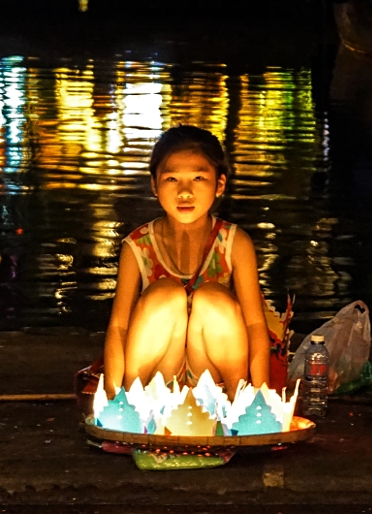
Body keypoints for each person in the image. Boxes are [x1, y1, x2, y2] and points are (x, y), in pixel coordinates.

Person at [102, 125, 270, 400]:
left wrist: (262, 396)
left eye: (198, 178)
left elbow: (254, 324)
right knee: (166, 294)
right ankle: (132, 403)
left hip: (211, 375)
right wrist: (112, 394)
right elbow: (118, 326)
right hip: (158, 375)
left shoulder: (235, 243)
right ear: (154, 185)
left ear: (220, 184)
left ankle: (236, 400)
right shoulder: (137, 246)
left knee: (213, 298)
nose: (185, 192)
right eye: (171, 179)